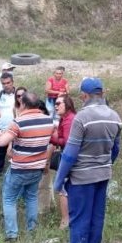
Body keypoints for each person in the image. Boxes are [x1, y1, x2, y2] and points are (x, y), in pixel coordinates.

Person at [52, 77, 122, 243]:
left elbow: (70, 153)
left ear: (83, 95)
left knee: (79, 219)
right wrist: (104, 165)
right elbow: (115, 150)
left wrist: (59, 181)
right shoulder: (114, 116)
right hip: (103, 175)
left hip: (82, 178)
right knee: (96, 217)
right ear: (102, 93)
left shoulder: (81, 118)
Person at [0, 92, 54, 241]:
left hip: (20, 168)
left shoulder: (19, 122)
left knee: (9, 199)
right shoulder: (48, 120)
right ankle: (31, 230)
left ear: (23, 104)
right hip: (38, 167)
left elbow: (2, 142)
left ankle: (12, 234)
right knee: (32, 198)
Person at [48, 94, 76, 229]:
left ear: (67, 104)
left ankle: (65, 221)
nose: (56, 106)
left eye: (59, 103)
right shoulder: (65, 118)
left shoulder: (69, 120)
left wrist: (51, 138)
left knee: (63, 189)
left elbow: (66, 141)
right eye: (55, 103)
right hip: (68, 156)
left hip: (69, 157)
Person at [0, 72, 16, 177]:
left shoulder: (19, 94)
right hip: (1, 127)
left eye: (8, 82)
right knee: (0, 152)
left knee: (14, 152)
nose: (6, 85)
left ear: (12, 82)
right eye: (3, 83)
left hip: (15, 129)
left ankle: (14, 173)